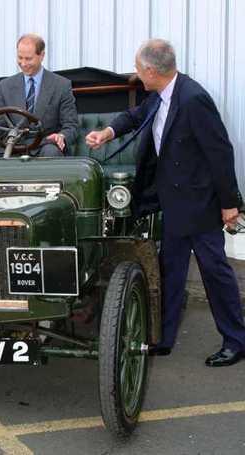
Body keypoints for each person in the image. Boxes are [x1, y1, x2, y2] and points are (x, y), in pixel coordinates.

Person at [86, 38, 245, 367]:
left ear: (150, 70)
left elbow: (220, 152)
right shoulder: (159, 94)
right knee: (169, 273)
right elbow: (134, 116)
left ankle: (236, 340)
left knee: (214, 273)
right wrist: (106, 133)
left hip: (199, 205)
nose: (136, 74)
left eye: (137, 68)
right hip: (172, 203)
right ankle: (163, 337)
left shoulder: (193, 98)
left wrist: (231, 204)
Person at [0, 33, 78, 157]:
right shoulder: (5, 86)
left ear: (42, 55)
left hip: (45, 146)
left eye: (28, 58)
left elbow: (71, 125)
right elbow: (0, 125)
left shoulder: (61, 85)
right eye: (20, 58)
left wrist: (62, 136)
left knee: (51, 153)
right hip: (13, 146)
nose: (23, 63)